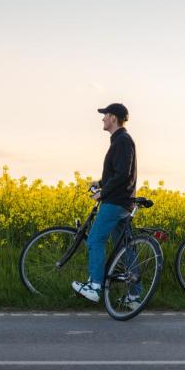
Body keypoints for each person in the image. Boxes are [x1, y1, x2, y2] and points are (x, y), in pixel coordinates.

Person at [71, 103, 139, 308]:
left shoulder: (122, 141)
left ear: (113, 118)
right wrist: (100, 183)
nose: (102, 119)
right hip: (122, 201)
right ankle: (135, 297)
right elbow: (119, 172)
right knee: (125, 248)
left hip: (115, 202)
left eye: (105, 115)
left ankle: (94, 286)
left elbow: (122, 174)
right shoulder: (121, 141)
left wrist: (103, 192)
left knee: (94, 240)